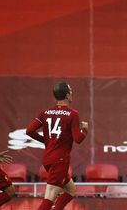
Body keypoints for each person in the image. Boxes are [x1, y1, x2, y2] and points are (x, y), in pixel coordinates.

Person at [26, 81, 89, 210]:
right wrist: (85, 130)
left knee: (71, 190)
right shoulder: (73, 114)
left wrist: (47, 141)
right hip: (60, 161)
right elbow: (78, 139)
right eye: (71, 92)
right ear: (67, 95)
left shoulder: (45, 112)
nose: (72, 94)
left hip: (48, 159)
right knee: (49, 198)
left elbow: (29, 131)